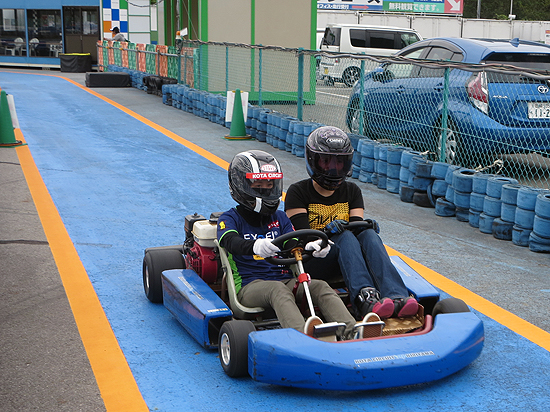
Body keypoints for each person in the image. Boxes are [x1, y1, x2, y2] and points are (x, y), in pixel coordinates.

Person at [217, 149, 365, 339]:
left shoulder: (279, 217)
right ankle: (302, 337)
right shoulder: (230, 218)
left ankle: (352, 332)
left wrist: (310, 247)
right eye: (258, 183)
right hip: (249, 286)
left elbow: (293, 241)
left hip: (284, 281)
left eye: (270, 183)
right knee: (276, 289)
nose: (266, 188)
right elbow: (229, 241)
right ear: (241, 184)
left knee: (318, 286)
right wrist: (254, 246)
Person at [285, 126, 418, 320]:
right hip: (312, 259)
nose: (333, 169)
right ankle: (363, 299)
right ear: (313, 160)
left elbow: (357, 229)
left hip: (348, 259)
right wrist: (327, 232)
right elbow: (303, 235)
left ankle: (397, 296)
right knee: (345, 236)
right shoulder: (297, 192)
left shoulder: (352, 191)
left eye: (339, 163)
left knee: (369, 234)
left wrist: (365, 226)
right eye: (326, 162)